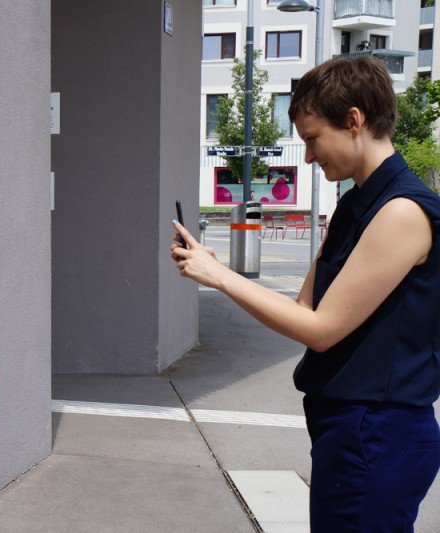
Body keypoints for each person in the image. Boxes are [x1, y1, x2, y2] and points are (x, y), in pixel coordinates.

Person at [171, 56, 440, 531]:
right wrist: (217, 271)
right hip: (350, 427)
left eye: (313, 139)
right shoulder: (357, 205)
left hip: (378, 431)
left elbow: (322, 330)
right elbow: (303, 309)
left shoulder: (400, 211)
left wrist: (220, 277)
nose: (310, 157)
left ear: (354, 120)